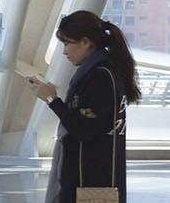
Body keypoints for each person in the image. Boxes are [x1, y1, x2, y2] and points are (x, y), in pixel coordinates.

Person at [30, 10, 140, 203]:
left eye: (67, 43)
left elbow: (83, 129)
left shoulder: (100, 75)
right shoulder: (104, 70)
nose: (64, 51)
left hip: (90, 178)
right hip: (100, 175)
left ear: (85, 42)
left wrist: (52, 100)